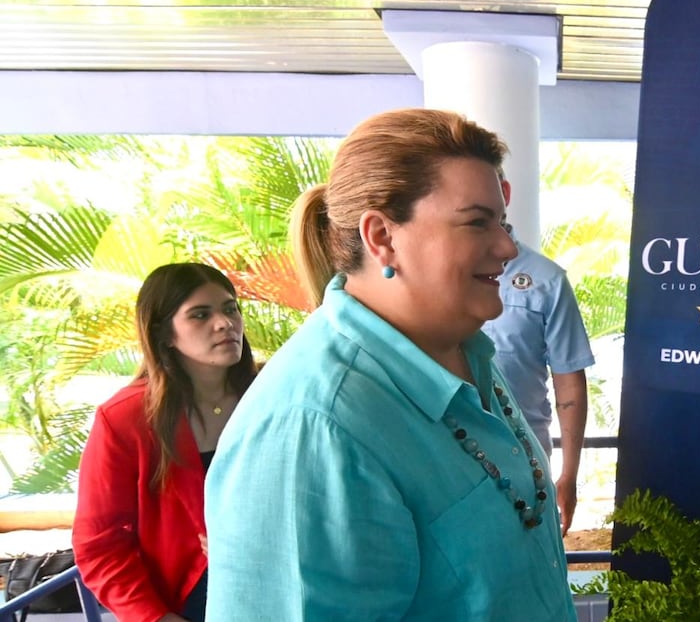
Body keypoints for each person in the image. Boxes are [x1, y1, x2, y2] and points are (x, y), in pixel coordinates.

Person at [204, 108, 577, 621]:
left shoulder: (465, 352)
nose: (508, 247)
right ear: (381, 236)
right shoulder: (313, 427)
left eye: (503, 223)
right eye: (477, 222)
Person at [73, 262, 256, 622]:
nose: (224, 323)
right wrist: (156, 618)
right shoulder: (125, 419)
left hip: (283, 584)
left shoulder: (271, 393)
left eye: (230, 308)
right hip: (186, 603)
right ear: (165, 334)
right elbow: (99, 546)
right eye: (200, 315)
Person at [481, 173, 595, 535]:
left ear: (505, 192)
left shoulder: (547, 280)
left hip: (526, 455)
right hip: (452, 451)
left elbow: (569, 382)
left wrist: (569, 475)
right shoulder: (436, 275)